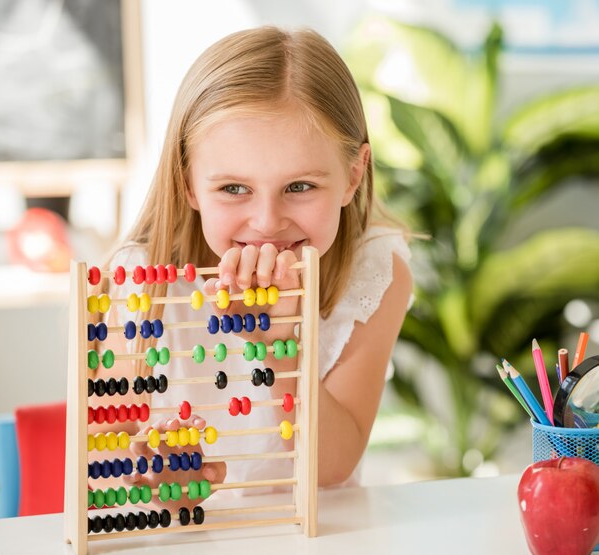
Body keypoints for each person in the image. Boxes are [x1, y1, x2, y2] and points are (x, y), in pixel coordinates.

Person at [94, 26, 413, 508]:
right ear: (188, 184)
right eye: (234, 189)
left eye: (300, 186)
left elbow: (332, 468)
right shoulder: (140, 281)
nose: (267, 222)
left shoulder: (375, 272)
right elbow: (102, 462)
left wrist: (283, 344)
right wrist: (149, 474)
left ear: (352, 177)